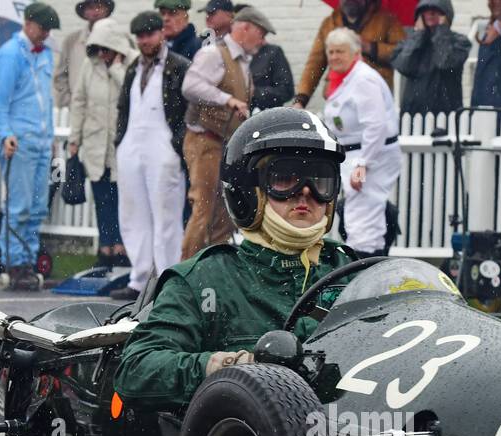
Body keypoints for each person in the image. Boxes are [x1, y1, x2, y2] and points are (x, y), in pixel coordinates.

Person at [114, 107, 356, 408]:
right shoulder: (206, 279)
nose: (305, 193)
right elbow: (137, 369)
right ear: (248, 192)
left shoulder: (351, 271)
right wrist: (235, 367)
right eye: (285, 178)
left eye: (319, 180)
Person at [180, 6, 268, 258]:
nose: (262, 41)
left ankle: (213, 267)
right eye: (260, 33)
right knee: (204, 208)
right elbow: (191, 85)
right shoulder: (213, 54)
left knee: (224, 209)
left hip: (222, 143)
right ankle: (186, 271)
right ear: (244, 28)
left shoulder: (241, 61)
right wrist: (227, 99)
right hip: (204, 140)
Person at [114, 12, 189, 298]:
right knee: (133, 213)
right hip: (132, 143)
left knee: (166, 213)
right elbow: (123, 107)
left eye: (150, 34)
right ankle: (140, 277)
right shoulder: (134, 67)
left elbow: (189, 110)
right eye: (140, 36)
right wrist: (119, 141)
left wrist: (176, 144)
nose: (145, 40)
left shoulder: (179, 66)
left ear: (161, 34)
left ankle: (169, 277)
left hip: (163, 144)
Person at [0, 2, 59, 290]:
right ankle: (14, 264)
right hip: (19, 141)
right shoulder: (9, 55)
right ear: (28, 23)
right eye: (42, 28)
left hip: (41, 141)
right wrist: (5, 133)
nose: (46, 34)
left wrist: (52, 137)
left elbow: (47, 100)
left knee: (38, 207)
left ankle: (28, 262)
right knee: (18, 207)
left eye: (48, 29)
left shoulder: (47, 56)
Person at [325, 27, 401, 257]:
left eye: (340, 51)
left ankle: (364, 270)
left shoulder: (363, 80)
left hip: (368, 155)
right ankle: (369, 265)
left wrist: (363, 163)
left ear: (355, 52)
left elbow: (375, 124)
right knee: (360, 216)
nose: (334, 57)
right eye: (331, 51)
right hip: (353, 154)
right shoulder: (345, 79)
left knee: (362, 221)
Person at [70, 15, 134, 270]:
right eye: (99, 49)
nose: (103, 54)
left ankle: (122, 247)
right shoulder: (90, 65)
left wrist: (117, 69)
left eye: (106, 48)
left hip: (121, 143)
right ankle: (105, 247)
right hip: (96, 142)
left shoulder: (131, 61)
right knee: (101, 196)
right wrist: (75, 139)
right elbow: (79, 101)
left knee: (122, 197)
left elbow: (131, 92)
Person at [294, 0, 405, 106]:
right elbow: (315, 63)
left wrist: (371, 47)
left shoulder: (386, 20)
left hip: (374, 95)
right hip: (337, 95)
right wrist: (301, 99)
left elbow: (402, 52)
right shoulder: (329, 23)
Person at [391, 0, 471, 116]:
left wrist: (442, 32)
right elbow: (403, 66)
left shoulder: (460, 42)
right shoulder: (409, 39)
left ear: (446, 14)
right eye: (426, 10)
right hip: (413, 115)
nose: (430, 13)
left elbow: (445, 62)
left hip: (446, 115)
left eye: (436, 10)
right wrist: (418, 35)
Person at [56, 0, 113, 109]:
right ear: (84, 12)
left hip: (109, 110)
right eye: (91, 8)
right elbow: (60, 77)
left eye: (100, 7)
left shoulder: (121, 40)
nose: (95, 12)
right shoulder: (71, 41)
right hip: (79, 109)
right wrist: (70, 103)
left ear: (107, 10)